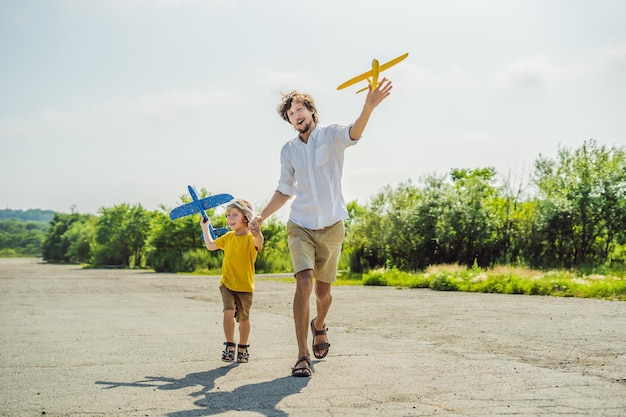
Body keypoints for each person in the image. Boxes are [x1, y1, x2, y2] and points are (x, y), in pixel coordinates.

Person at [248, 79, 394, 377]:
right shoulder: (288, 151)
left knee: (324, 293)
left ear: (312, 111)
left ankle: (319, 325)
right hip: (300, 224)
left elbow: (355, 132)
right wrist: (261, 216)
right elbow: (284, 189)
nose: (296, 115)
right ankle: (302, 355)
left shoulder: (331, 136)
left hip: (331, 226)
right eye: (290, 113)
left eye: (300, 109)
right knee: (304, 283)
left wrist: (369, 106)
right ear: (288, 120)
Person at [200, 198, 264, 363]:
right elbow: (211, 245)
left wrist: (257, 232)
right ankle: (230, 345)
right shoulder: (228, 237)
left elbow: (259, 242)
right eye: (228, 215)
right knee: (228, 311)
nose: (230, 219)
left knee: (243, 319)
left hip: (245, 287)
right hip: (227, 284)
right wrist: (205, 227)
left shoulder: (250, 238)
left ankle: (243, 348)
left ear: (245, 217)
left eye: (234, 215)